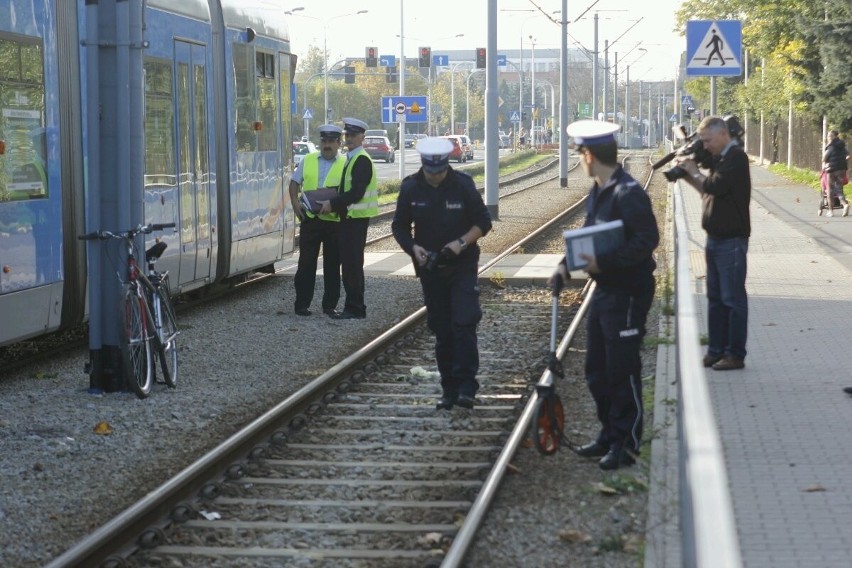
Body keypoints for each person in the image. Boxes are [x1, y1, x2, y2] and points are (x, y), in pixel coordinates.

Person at [549, 120, 658, 471]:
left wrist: (604, 261)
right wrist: (566, 265)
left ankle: (626, 445)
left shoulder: (629, 193)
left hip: (628, 291)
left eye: (580, 154)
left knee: (622, 369)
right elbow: (589, 235)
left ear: (590, 155)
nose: (579, 160)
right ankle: (609, 434)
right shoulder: (600, 190)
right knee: (596, 368)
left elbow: (646, 241)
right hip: (607, 289)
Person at [391, 137, 492, 410]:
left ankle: (467, 387)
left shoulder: (462, 184)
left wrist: (460, 244)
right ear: (423, 167)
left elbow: (483, 221)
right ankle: (449, 390)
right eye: (430, 172)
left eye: (440, 171)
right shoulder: (411, 187)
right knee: (442, 329)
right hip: (431, 269)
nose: (435, 177)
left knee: (464, 322)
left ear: (447, 166)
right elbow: (399, 226)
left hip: (462, 265)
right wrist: (414, 248)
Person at [679, 115, 751, 371]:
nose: (705, 146)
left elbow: (715, 186)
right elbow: (707, 191)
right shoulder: (722, 159)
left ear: (722, 134)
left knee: (732, 300)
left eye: (708, 140)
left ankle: (735, 354)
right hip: (716, 238)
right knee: (716, 299)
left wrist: (694, 171)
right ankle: (716, 351)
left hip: (732, 240)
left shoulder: (736, 158)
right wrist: (688, 175)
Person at [317, 117, 378, 319]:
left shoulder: (361, 159)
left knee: (352, 266)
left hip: (355, 219)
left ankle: (355, 308)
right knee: (350, 265)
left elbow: (357, 192)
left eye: (353, 135)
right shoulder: (352, 158)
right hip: (350, 219)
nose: (349, 138)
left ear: (362, 137)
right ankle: (353, 306)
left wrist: (332, 204)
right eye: (347, 135)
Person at [288, 124, 346, 317]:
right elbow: (295, 182)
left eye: (331, 141)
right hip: (310, 220)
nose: (327, 145)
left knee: (332, 265)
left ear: (339, 143)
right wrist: (295, 203)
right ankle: (301, 305)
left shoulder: (345, 163)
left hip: (334, 221)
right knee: (306, 264)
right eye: (324, 141)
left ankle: (329, 306)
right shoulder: (308, 159)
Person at [821, 130, 849, 217]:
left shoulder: (831, 146)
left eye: (830, 136)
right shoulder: (842, 145)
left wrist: (826, 163)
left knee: (830, 190)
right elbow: (848, 155)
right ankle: (845, 205)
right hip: (842, 169)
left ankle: (830, 211)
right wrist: (843, 161)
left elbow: (824, 158)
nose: (829, 138)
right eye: (828, 136)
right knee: (839, 189)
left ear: (835, 136)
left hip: (832, 170)